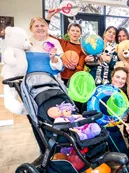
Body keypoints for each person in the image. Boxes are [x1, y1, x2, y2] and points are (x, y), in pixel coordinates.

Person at [27, 17, 64, 166]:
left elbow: (60, 67)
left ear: (47, 27)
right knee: (36, 120)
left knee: (56, 117)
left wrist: (54, 58)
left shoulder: (54, 43)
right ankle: (44, 151)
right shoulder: (26, 43)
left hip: (51, 86)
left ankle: (58, 150)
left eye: (43, 25)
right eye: (37, 26)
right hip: (31, 88)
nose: (40, 28)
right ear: (31, 28)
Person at [46, 10, 86, 85]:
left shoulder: (83, 49)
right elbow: (46, 34)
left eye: (77, 31)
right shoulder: (61, 43)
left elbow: (81, 67)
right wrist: (48, 17)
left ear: (80, 33)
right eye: (73, 30)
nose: (75, 33)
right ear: (68, 32)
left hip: (74, 80)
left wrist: (74, 68)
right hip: (59, 77)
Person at [106, 67, 129, 154]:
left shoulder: (123, 95)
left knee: (124, 154)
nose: (120, 80)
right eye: (117, 77)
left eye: (123, 78)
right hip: (99, 124)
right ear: (112, 77)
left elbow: (124, 112)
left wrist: (122, 118)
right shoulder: (103, 89)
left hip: (113, 125)